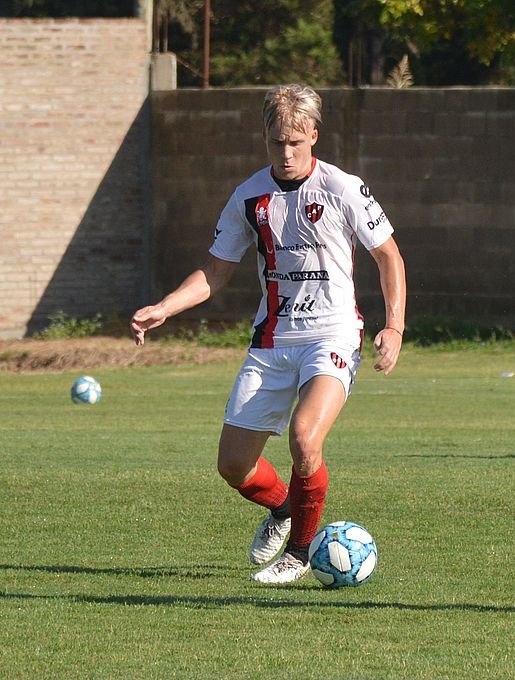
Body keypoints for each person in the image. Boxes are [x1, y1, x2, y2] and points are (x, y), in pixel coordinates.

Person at [130, 84, 407, 584]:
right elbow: (214, 272)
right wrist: (165, 307)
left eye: (296, 143)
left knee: (305, 437)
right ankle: (284, 509)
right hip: (272, 341)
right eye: (277, 142)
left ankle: (301, 553)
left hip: (333, 335)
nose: (286, 152)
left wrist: (393, 325)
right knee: (234, 466)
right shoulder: (248, 196)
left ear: (313, 137)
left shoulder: (342, 188)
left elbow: (388, 256)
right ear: (265, 138)